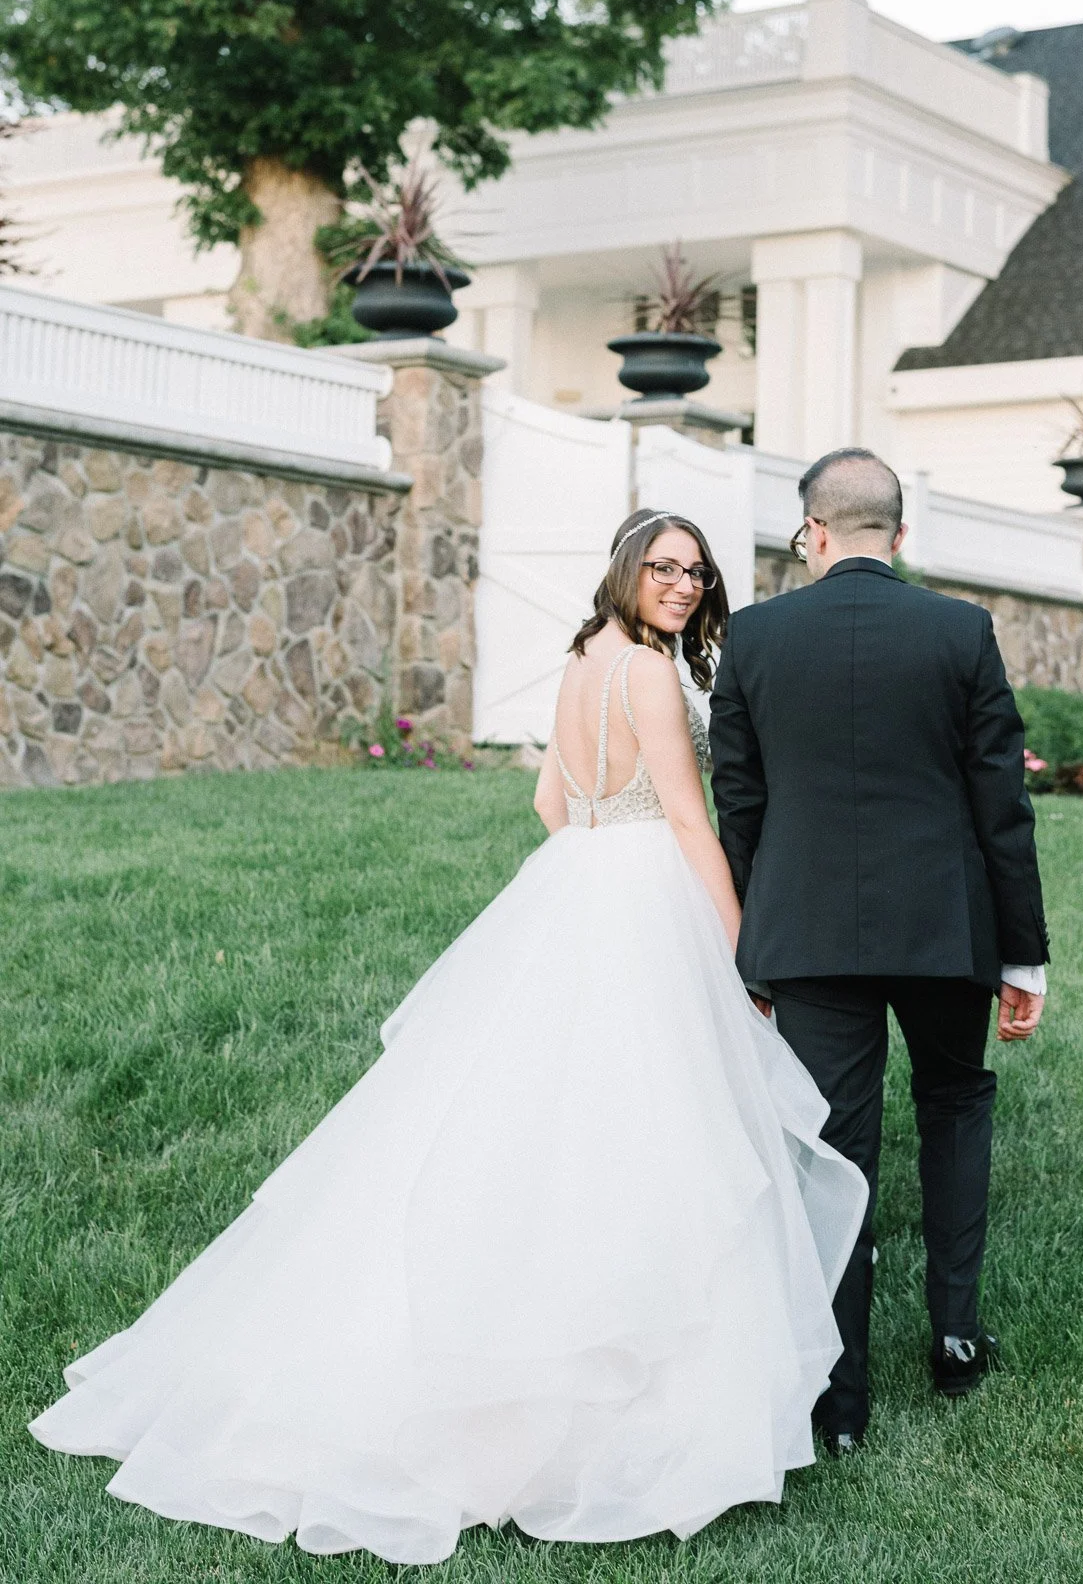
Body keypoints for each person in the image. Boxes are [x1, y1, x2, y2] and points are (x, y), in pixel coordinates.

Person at [30, 509, 867, 1567]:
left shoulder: (580, 662)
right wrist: (739, 950)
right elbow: (694, 824)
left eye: (694, 573)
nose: (683, 585)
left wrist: (599, 868)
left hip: (579, 882)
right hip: (646, 886)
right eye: (662, 568)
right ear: (624, 570)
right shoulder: (650, 674)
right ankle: (614, 1408)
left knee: (546, 1125)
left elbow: (548, 800)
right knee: (646, 1135)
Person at [709, 449, 1049, 1454]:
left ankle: (839, 1403)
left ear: (811, 533)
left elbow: (741, 804)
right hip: (944, 929)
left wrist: (749, 950)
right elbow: (1002, 806)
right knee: (952, 1103)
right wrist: (1021, 958)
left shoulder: (756, 638)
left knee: (836, 1150)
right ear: (899, 537)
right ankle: (952, 1337)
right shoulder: (960, 631)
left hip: (807, 936)